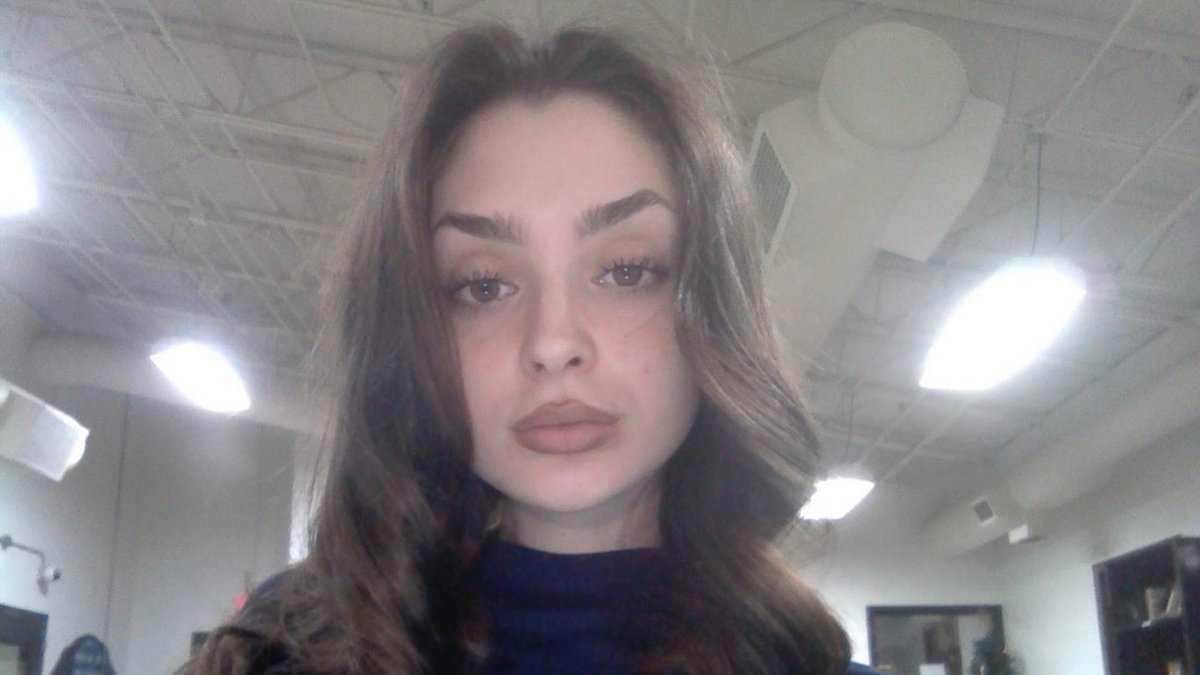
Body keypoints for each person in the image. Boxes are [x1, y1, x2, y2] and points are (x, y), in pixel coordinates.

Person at [178, 21, 881, 675]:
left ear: (713, 306)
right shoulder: (283, 655)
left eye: (626, 271)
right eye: (483, 285)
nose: (552, 343)